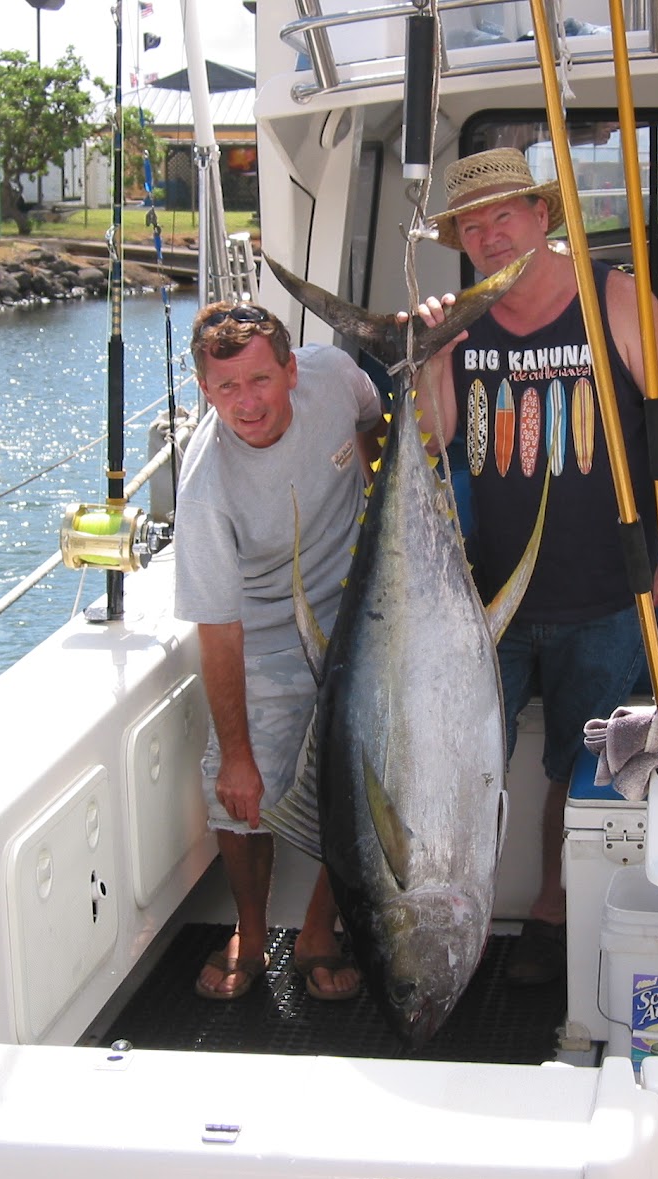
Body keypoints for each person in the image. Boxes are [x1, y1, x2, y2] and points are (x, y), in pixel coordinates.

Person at [416, 147, 658, 986]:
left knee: (580, 774)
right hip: (489, 606)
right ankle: (456, 922)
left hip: (608, 595)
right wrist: (431, 355)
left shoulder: (614, 300)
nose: (490, 236)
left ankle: (553, 913)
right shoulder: (459, 320)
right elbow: (432, 440)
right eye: (473, 227)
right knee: (463, 770)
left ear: (542, 217)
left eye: (505, 215)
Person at [173, 301, 385, 1003]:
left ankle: (319, 929)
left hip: (360, 605)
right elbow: (219, 630)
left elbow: (370, 418)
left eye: (260, 380)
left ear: (292, 371)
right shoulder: (205, 488)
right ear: (204, 390)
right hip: (264, 632)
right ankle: (252, 926)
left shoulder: (333, 375)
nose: (247, 403)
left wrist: (378, 488)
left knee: (363, 776)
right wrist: (238, 754)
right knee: (236, 792)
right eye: (226, 387)